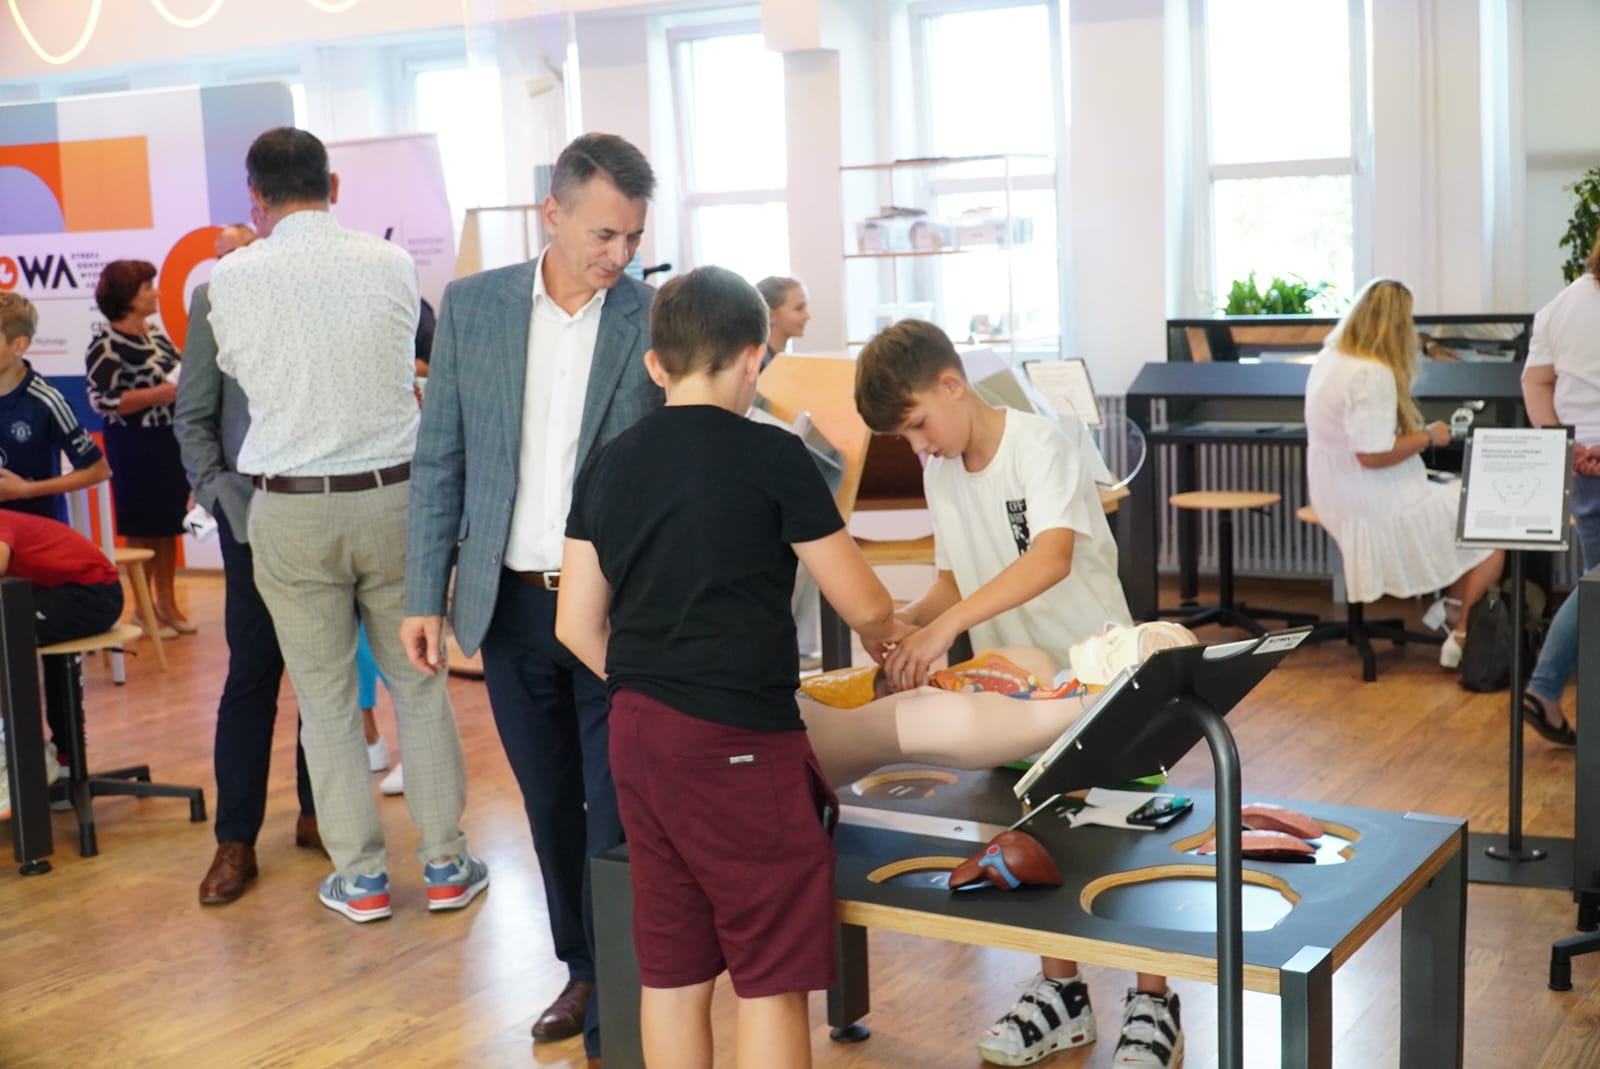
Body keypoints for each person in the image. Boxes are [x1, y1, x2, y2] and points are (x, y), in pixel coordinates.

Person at [556, 265, 907, 1069]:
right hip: (740, 742)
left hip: (636, 734)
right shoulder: (773, 455)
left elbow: (574, 623)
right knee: (771, 974)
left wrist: (652, 684)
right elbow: (863, 604)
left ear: (656, 364)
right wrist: (898, 630)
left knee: (674, 970)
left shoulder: (607, 462)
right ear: (755, 358)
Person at [854, 319, 1178, 1069]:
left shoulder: (1041, 444)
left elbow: (1051, 557)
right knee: (1031, 837)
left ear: (952, 385)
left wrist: (949, 628)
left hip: (1099, 679)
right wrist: (908, 624)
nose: (919, 446)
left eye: (917, 425)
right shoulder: (941, 472)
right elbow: (954, 579)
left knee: (1129, 844)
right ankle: (1061, 996)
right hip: (1016, 690)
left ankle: (1154, 1001)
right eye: (904, 437)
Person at [403, 132, 661, 1062]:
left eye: (633, 237)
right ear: (552, 214)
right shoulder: (474, 307)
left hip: (615, 611)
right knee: (549, 807)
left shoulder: (653, 318)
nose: (619, 255)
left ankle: (621, 1002)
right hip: (507, 605)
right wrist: (424, 593)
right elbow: (441, 457)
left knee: (615, 809)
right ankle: (583, 967)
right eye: (603, 235)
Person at [210, 126, 484, 924]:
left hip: (290, 506)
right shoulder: (391, 262)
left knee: (326, 700)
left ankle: (361, 879)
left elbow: (238, 373)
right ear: (333, 184)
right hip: (396, 499)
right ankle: (445, 863)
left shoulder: (231, 277)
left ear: (255, 198)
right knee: (419, 683)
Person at [174, 221, 323, 906]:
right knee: (252, 674)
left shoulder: (333, 288)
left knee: (326, 675)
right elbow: (193, 413)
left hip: (328, 508)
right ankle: (235, 840)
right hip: (250, 517)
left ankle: (321, 813)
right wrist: (219, 493)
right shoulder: (215, 299)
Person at [1304, 278, 1505, 670]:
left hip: (1335, 493)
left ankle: (1451, 607)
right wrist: (1429, 436)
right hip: (1373, 499)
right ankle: (1462, 632)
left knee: (1462, 506)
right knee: (1490, 521)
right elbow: (1372, 455)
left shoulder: (1331, 359)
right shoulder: (1372, 373)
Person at [1518, 236, 1600, 746]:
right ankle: (1545, 686)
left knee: (1597, 581)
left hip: (1583, 467)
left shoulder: (1563, 303)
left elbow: (1535, 382)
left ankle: (1545, 690)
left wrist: (1562, 444)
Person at [85, 259, 194, 634]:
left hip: (168, 440)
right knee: (144, 525)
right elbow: (101, 400)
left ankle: (167, 603)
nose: (156, 293)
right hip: (134, 445)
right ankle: (142, 608)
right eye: (147, 287)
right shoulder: (106, 344)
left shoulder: (156, 335)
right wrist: (156, 395)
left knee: (169, 524)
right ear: (127, 296)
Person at [0, 510, 124, 820]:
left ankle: (22, 753)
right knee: (10, 622)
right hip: (56, 592)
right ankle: (48, 756)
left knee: (7, 628)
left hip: (94, 595)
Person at [0, 293, 111, 521]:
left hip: (38, 529)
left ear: (19, 345)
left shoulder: (46, 401)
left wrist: (26, 490)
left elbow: (98, 470)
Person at [756, 275, 810, 366]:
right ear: (770, 315)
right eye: (799, 308)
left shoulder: (780, 361)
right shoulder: (757, 366)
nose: (807, 316)